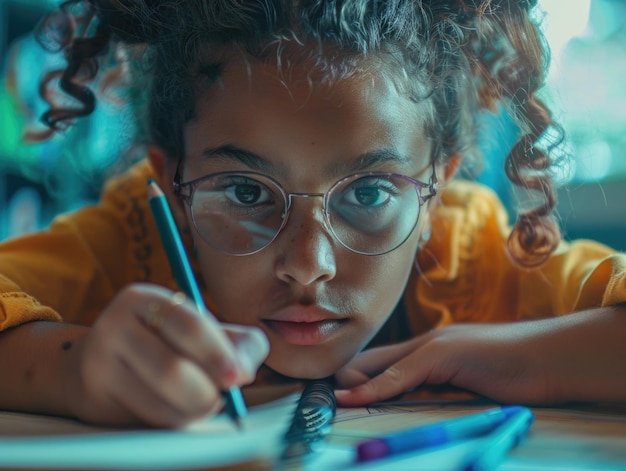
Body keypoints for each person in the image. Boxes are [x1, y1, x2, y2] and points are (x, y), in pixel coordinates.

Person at [1, 0, 625, 429]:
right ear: (173, 182)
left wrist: (525, 355)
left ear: (438, 189)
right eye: (246, 193)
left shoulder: (478, 256)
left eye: (371, 193)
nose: (308, 267)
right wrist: (70, 370)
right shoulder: (131, 237)